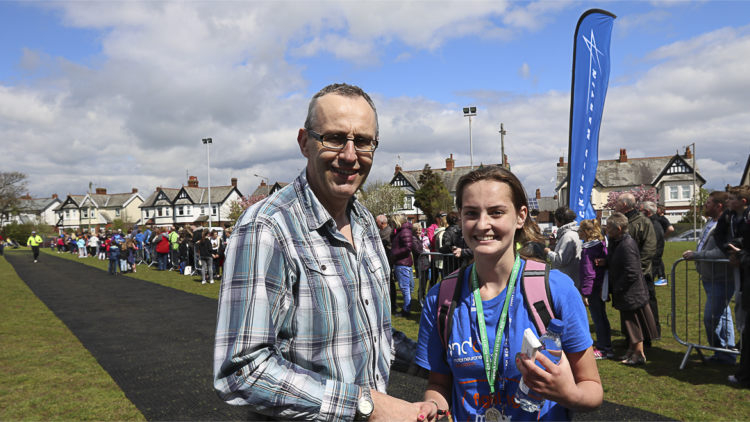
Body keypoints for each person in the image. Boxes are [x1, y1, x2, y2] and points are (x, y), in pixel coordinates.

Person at [214, 83, 428, 420]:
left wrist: (435, 364)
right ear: (304, 142)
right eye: (334, 138)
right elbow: (244, 371)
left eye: (363, 141)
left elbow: (370, 334)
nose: (349, 154)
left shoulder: (366, 223)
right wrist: (366, 407)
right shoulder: (268, 228)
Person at [416, 166, 602, 421]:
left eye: (496, 212)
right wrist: (432, 407)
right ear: (460, 217)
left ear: (520, 216)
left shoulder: (556, 290)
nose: (483, 225)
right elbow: (438, 384)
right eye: (471, 213)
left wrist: (567, 393)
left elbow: (592, 389)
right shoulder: (441, 298)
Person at [682, 191, 736, 364]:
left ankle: (721, 351)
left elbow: (722, 252)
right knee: (723, 316)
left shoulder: (725, 224)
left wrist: (696, 255)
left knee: (711, 317)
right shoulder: (710, 223)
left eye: (709, 202)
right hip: (708, 276)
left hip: (721, 278)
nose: (705, 205)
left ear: (719, 205)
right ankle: (725, 354)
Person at [605, 212, 659, 365]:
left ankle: (638, 354)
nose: (606, 230)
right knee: (630, 322)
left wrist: (619, 287)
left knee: (635, 324)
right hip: (627, 291)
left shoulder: (627, 244)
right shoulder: (618, 242)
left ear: (619, 228)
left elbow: (632, 272)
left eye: (609, 227)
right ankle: (631, 350)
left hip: (631, 292)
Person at [615, 193, 660, 340]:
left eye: (617, 202)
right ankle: (630, 337)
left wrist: (638, 270)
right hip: (624, 274)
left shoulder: (643, 222)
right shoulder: (620, 222)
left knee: (644, 306)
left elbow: (649, 248)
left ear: (625, 205)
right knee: (626, 306)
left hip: (640, 274)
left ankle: (648, 337)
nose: (615, 204)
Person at [578, 219, 612, 360]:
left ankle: (604, 348)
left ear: (586, 232)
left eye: (580, 230)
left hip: (593, 288)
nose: (578, 233)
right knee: (601, 317)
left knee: (598, 318)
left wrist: (585, 293)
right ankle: (606, 345)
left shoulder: (588, 250)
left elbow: (589, 273)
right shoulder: (600, 245)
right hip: (600, 285)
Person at [544, 207, 581, 289]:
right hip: (569, 279)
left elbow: (560, 260)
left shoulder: (568, 236)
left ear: (561, 221)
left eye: (556, 220)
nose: (555, 222)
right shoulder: (570, 234)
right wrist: (554, 245)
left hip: (568, 281)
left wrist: (548, 252)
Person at [391, 213, 416, 317]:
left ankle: (406, 310)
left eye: (393, 221)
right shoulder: (402, 231)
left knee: (405, 288)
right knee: (407, 288)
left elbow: (407, 247)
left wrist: (394, 253)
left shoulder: (404, 232)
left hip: (402, 263)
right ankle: (407, 308)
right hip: (403, 263)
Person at [376, 214, 398, 314]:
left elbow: (383, 244)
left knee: (390, 284)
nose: (376, 224)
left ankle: (392, 305)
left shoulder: (387, 232)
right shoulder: (382, 231)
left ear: (381, 223)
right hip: (384, 260)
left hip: (388, 260)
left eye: (376, 222)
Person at [641, 201, 667, 286]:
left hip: (651, 260)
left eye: (642, 210)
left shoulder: (652, 224)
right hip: (653, 258)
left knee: (648, 286)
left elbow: (651, 244)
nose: (640, 213)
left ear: (647, 211)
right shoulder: (655, 222)